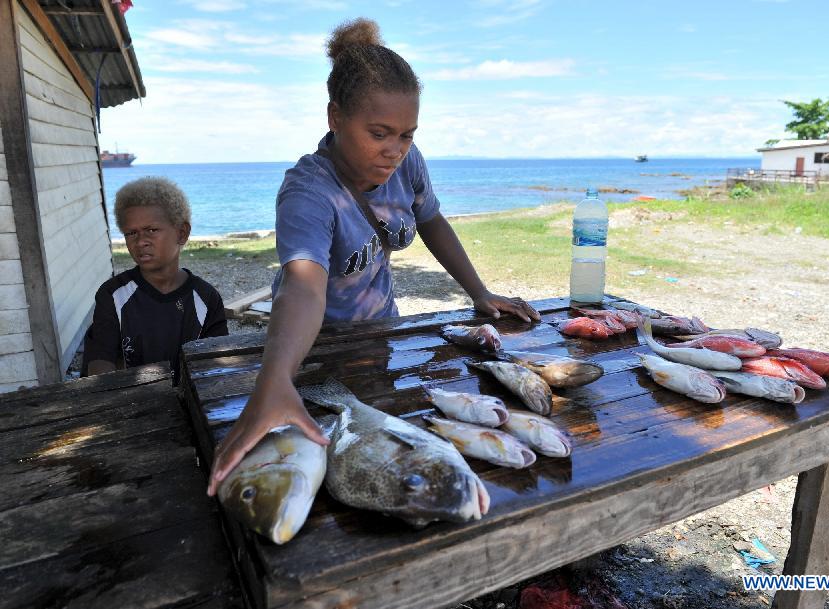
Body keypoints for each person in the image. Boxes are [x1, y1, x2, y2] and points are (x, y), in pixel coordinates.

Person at [206, 18, 540, 496]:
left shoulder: (409, 160)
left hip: (380, 331)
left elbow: (431, 221)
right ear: (334, 117)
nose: (395, 151)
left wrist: (480, 293)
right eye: (380, 133)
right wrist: (275, 379)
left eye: (406, 134)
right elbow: (303, 282)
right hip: (311, 347)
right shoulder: (307, 193)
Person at [83, 176, 228, 378]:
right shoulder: (113, 295)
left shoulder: (206, 298)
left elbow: (215, 369)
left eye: (151, 230)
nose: (141, 241)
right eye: (131, 233)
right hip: (130, 403)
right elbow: (99, 364)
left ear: (182, 233)